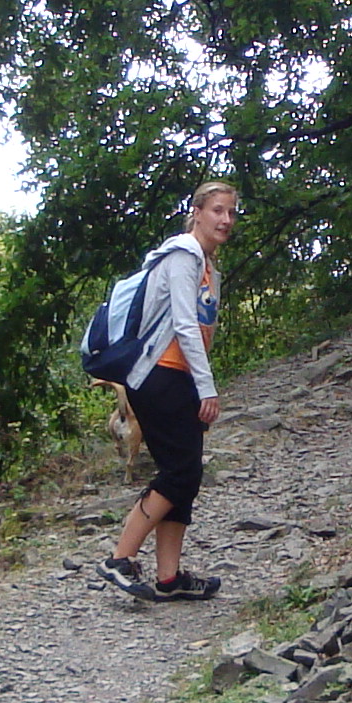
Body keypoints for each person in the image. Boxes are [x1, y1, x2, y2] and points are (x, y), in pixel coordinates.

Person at [98, 181, 239, 602]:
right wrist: (206, 387)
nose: (226, 220)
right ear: (196, 212)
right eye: (217, 210)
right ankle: (120, 559)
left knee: (185, 473)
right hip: (158, 375)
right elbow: (184, 324)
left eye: (231, 212)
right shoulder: (182, 256)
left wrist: (197, 383)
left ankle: (169, 577)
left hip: (177, 377)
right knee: (180, 472)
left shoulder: (206, 264)